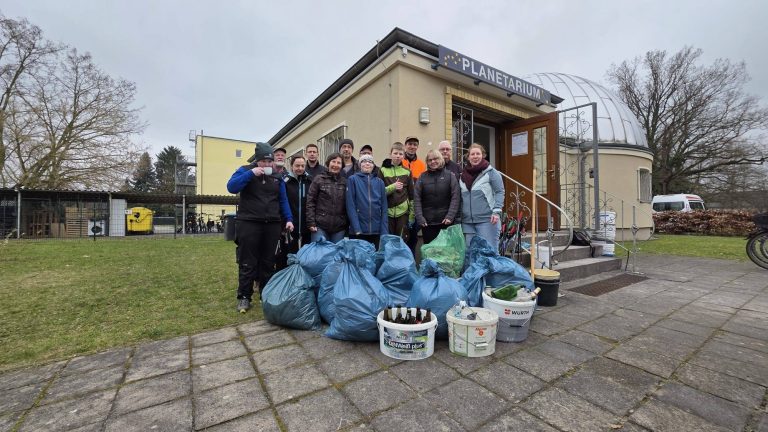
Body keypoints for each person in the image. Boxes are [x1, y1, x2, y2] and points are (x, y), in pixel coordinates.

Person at [227, 142, 294, 313]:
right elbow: (231, 187)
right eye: (264, 161)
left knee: (268, 261)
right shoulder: (245, 170)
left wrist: (288, 219)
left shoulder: (277, 176)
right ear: (257, 160)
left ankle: (266, 293)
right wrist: (250, 174)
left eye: (270, 161)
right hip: (249, 222)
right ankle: (244, 296)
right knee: (247, 261)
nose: (267, 164)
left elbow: (283, 200)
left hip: (272, 223)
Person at [460, 143, 505, 250]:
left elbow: (499, 192)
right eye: (472, 154)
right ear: (468, 157)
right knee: (471, 254)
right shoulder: (462, 176)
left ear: (483, 155)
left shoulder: (491, 173)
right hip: (467, 222)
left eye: (478, 154)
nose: (475, 156)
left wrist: (497, 211)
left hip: (487, 220)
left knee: (489, 252)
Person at [414, 149, 460, 245]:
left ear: (441, 159)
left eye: (435, 159)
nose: (433, 162)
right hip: (427, 223)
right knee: (430, 251)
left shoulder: (450, 176)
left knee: (445, 251)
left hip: (446, 222)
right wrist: (420, 217)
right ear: (427, 162)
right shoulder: (422, 177)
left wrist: (450, 216)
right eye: (430, 160)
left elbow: (455, 197)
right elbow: (417, 199)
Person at [276, 155, 312, 270]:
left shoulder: (310, 181)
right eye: (297, 166)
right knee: (287, 255)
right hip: (290, 225)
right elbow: (281, 202)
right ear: (291, 166)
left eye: (302, 166)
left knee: (306, 257)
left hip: (306, 226)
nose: (300, 168)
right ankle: (285, 277)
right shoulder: (285, 181)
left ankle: (302, 277)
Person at [346, 154, 388, 249]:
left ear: (373, 166)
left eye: (370, 162)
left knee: (374, 256)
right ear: (360, 165)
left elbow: (384, 207)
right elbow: (350, 205)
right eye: (364, 161)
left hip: (376, 231)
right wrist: (356, 228)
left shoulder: (380, 182)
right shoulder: (352, 179)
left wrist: (384, 231)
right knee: (359, 257)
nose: (367, 164)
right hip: (358, 231)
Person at [306, 152, 348, 243]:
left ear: (342, 166)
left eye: (339, 163)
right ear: (328, 163)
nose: (335, 165)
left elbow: (348, 204)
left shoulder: (345, 182)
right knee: (319, 252)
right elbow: (310, 201)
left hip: (339, 228)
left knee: (336, 252)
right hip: (319, 227)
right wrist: (311, 222)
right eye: (333, 161)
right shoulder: (319, 179)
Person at [379, 142, 414, 241]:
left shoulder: (407, 172)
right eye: (395, 153)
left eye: (400, 154)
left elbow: (412, 195)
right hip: (387, 213)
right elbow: (379, 193)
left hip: (403, 213)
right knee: (389, 241)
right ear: (390, 154)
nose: (398, 156)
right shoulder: (382, 170)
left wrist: (411, 216)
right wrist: (392, 187)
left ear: (404, 156)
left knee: (401, 241)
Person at [402, 136, 426, 253]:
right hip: (401, 206)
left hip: (415, 207)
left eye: (415, 144)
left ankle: (411, 261)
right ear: (405, 146)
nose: (412, 146)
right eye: (410, 144)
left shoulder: (421, 164)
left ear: (417, 147)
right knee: (402, 237)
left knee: (413, 238)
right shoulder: (400, 161)